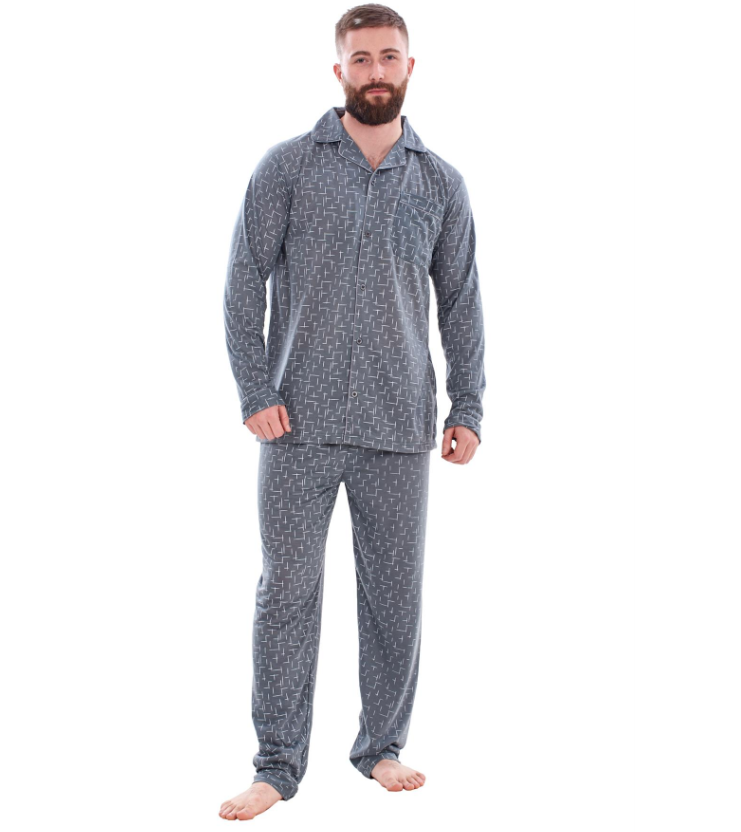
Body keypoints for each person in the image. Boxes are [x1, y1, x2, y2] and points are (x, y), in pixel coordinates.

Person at [219, 3, 486, 820]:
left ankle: (381, 748)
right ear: (339, 70)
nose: (375, 71)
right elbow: (242, 284)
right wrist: (256, 392)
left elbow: (461, 302)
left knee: (394, 598)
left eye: (388, 57)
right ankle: (276, 765)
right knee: (285, 594)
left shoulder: (439, 183)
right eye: (360, 58)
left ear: (410, 67)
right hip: (294, 427)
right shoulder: (288, 167)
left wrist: (468, 405)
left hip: (400, 425)